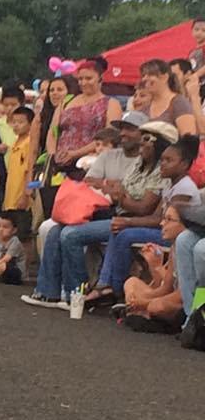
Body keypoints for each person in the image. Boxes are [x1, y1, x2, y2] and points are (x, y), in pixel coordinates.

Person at [22, 115, 167, 308]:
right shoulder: (139, 166)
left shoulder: (160, 170)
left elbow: (143, 207)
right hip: (112, 213)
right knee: (56, 230)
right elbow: (95, 184)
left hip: (128, 220)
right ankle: (48, 292)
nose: (141, 141)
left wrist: (119, 194)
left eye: (146, 137)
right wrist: (118, 192)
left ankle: (77, 294)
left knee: (70, 235)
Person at [86, 128, 198, 305]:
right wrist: (125, 221)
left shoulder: (184, 189)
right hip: (164, 230)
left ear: (184, 164)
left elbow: (163, 222)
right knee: (119, 230)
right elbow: (157, 216)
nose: (163, 164)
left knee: (125, 234)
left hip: (177, 238)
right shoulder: (169, 184)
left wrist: (128, 222)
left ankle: (114, 289)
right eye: (162, 160)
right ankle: (106, 285)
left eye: (169, 161)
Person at [47, 57, 123, 179]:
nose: (83, 82)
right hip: (59, 164)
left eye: (89, 78)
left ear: (100, 79)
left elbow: (110, 137)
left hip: (90, 165)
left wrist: (75, 154)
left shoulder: (111, 103)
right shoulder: (67, 101)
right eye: (80, 79)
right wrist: (52, 156)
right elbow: (53, 132)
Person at [116, 204, 186, 333]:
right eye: (164, 218)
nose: (162, 223)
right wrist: (155, 266)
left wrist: (145, 302)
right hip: (171, 297)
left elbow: (182, 295)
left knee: (157, 306)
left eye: (169, 219)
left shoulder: (189, 250)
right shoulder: (174, 248)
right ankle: (139, 310)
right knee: (131, 283)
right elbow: (165, 287)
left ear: (184, 224)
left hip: (187, 303)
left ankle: (140, 311)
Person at [1, 106, 35, 265]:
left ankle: (26, 267)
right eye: (14, 122)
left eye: (21, 122)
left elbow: (29, 169)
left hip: (22, 197)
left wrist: (25, 194)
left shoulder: (29, 143)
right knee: (12, 233)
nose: (16, 125)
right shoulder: (15, 142)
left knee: (24, 234)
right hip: (10, 196)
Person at [138, 59, 196, 136]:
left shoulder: (179, 103)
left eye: (150, 75)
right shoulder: (145, 106)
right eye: (143, 75)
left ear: (165, 77)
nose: (144, 79)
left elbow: (189, 139)